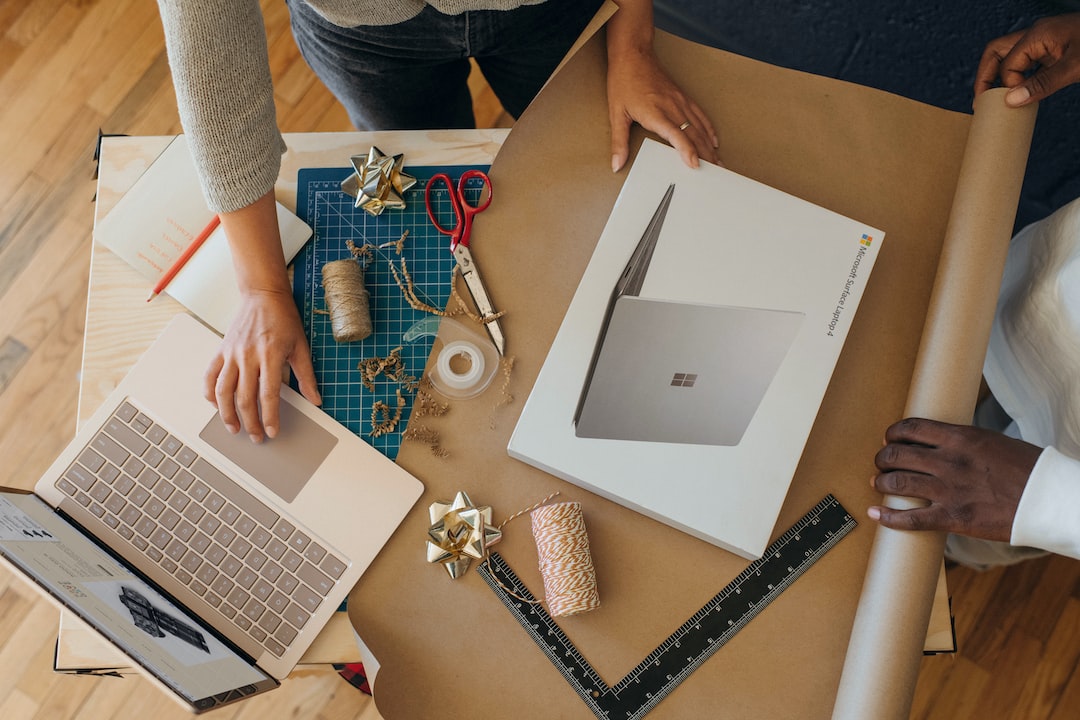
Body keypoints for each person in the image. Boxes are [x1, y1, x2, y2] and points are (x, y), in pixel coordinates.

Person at [155, 1, 719, 443]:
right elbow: (207, 38)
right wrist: (258, 285)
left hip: (550, 10)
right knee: (417, 149)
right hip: (363, 31)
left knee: (584, 147)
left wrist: (633, 45)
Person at [868, 12, 1080, 568]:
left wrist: (1050, 503)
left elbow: (1028, 497)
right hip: (1056, 287)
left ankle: (946, 555)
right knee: (990, 351)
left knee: (964, 522)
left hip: (1055, 486)